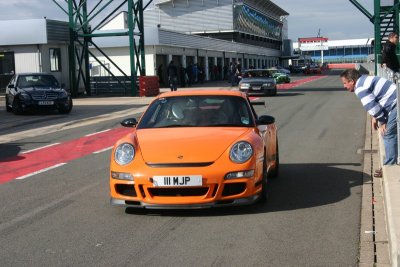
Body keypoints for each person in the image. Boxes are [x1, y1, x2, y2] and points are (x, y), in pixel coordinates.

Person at [340, 69, 398, 173]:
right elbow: (375, 101)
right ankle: (390, 162)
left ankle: (389, 166)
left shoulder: (360, 88)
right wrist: (375, 118)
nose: (344, 86)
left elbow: (372, 107)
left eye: (345, 83)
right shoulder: (364, 80)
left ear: (352, 81)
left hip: (396, 103)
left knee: (387, 133)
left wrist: (383, 121)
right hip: (395, 100)